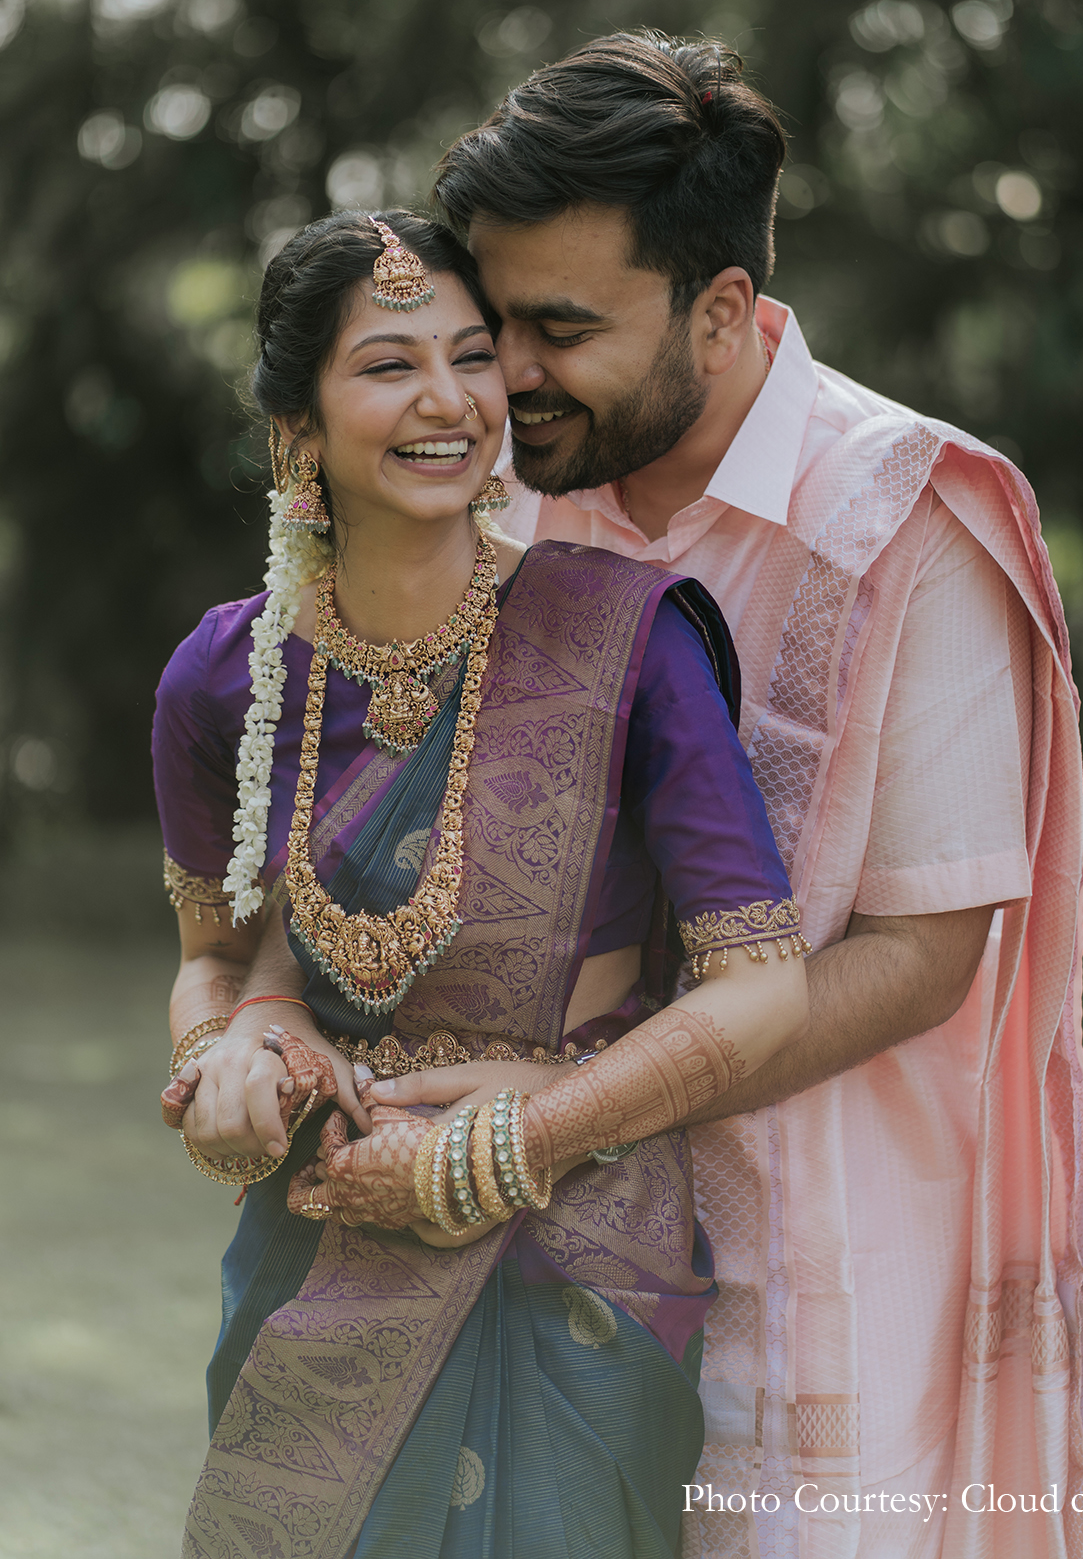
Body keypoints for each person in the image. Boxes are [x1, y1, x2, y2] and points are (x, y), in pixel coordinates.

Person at [336, 32, 1083, 1559]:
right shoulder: (495, 492)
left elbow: (922, 952)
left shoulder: (911, 524)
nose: (508, 371)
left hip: (820, 1273)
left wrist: (551, 1116)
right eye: (494, 319)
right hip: (521, 1275)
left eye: (562, 327)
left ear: (719, 306)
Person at [153, 207, 813, 1559]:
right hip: (322, 1239)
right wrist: (224, 1060)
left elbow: (763, 983)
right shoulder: (227, 677)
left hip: (569, 1232)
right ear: (297, 423)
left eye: (470, 357)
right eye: (389, 365)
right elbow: (216, 957)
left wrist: (510, 1144)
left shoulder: (623, 637)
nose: (450, 400)